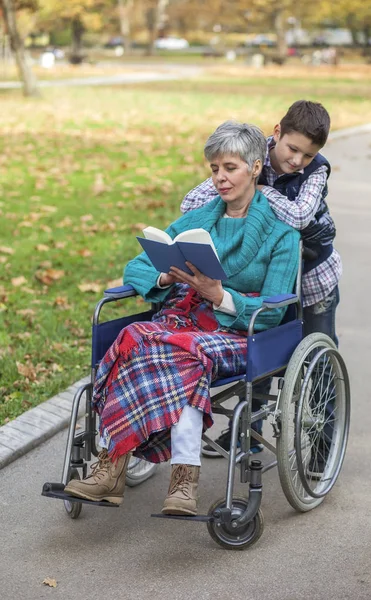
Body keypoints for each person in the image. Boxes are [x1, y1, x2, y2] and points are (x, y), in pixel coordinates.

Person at [64, 121, 300, 515]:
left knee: (183, 349)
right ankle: (127, 471)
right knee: (135, 334)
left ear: (256, 166)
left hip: (239, 332)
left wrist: (220, 296)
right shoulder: (195, 221)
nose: (220, 178)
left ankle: (156, 472)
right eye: (214, 169)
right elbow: (134, 268)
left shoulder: (281, 236)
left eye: (230, 167)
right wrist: (162, 274)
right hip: (177, 325)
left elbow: (273, 313)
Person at [181, 100, 341, 476]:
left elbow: (301, 216)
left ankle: (320, 453)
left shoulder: (317, 171)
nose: (298, 160)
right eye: (293, 148)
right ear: (276, 133)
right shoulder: (251, 156)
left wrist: (256, 193)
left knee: (319, 368)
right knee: (262, 360)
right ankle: (246, 438)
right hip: (266, 276)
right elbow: (192, 201)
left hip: (314, 278)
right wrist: (245, 180)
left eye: (308, 153)